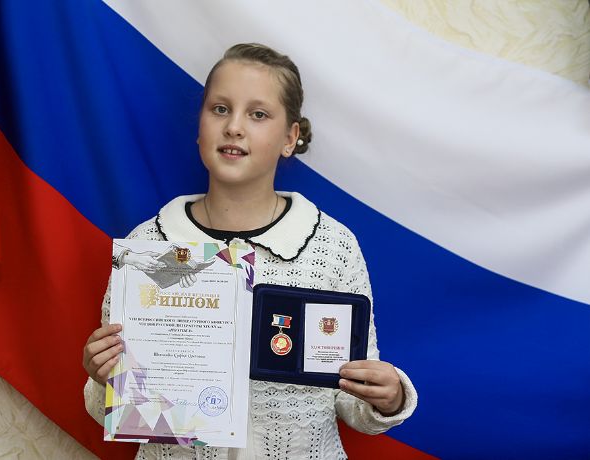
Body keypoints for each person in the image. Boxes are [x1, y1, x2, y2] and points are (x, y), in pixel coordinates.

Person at [82, 43, 417, 459]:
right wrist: (103, 377)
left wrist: (390, 397)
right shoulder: (150, 246)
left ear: (290, 138)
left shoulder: (331, 247)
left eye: (258, 114)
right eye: (220, 109)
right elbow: (116, 407)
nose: (234, 127)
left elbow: (351, 396)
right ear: (200, 126)